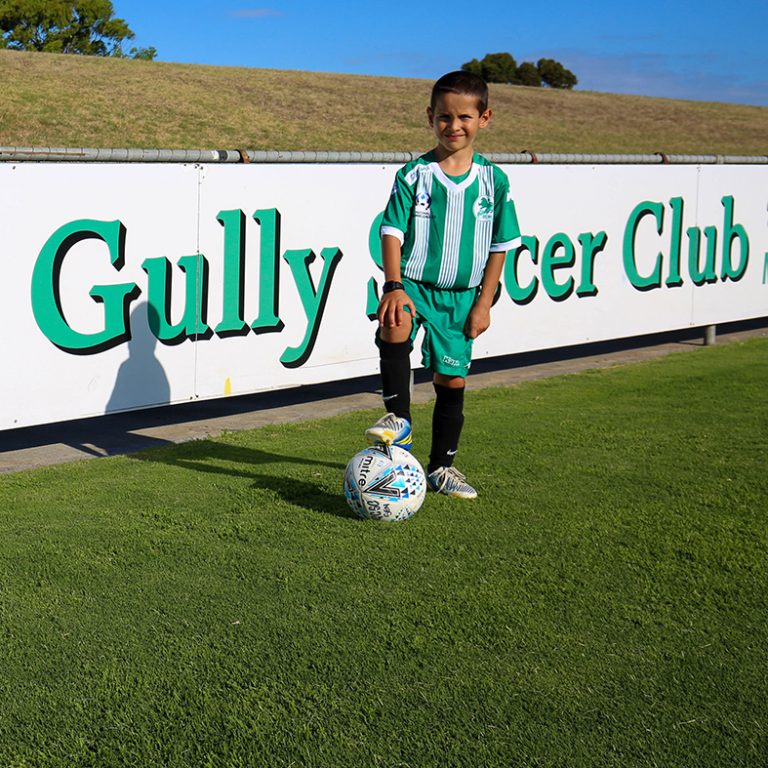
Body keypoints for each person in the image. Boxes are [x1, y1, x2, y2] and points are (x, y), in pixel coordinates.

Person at [365, 70, 522, 499]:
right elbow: (391, 232)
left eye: (465, 118)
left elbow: (500, 246)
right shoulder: (413, 176)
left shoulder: (495, 181)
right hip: (414, 284)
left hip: (462, 298)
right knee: (393, 323)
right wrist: (393, 285)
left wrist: (484, 303)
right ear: (430, 117)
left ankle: (441, 468)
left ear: (484, 118)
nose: (454, 126)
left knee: (451, 382)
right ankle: (398, 423)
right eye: (444, 117)